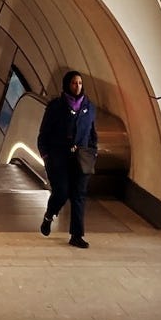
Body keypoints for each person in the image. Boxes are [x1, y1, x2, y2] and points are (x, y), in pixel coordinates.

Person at [37, 70, 98, 249]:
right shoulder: (56, 106)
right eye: (73, 83)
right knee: (62, 192)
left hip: (82, 159)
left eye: (79, 83)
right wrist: (46, 156)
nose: (77, 86)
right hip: (59, 159)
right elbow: (44, 134)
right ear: (67, 85)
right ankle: (49, 215)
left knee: (79, 196)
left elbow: (92, 134)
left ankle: (76, 235)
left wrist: (93, 152)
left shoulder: (89, 107)